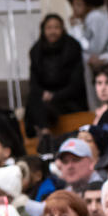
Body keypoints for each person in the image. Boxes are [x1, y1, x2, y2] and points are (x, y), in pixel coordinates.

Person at [27, 14, 88, 146]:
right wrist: (44, 94)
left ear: (62, 29)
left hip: (68, 98)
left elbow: (76, 84)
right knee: (34, 98)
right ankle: (45, 132)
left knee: (39, 106)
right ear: (43, 30)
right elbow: (34, 82)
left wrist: (55, 96)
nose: (52, 31)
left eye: (56, 27)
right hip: (44, 98)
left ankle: (44, 137)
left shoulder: (72, 48)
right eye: (49, 28)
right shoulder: (36, 51)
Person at [67, 0, 108, 64]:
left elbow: (95, 49)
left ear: (88, 4)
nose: (74, 8)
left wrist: (76, 28)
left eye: (78, 4)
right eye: (73, 5)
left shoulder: (95, 17)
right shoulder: (89, 19)